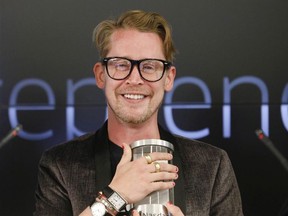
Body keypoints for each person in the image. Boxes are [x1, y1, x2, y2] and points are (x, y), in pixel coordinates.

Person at [34, 10, 243, 216]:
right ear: (100, 75)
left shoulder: (212, 165)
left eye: (149, 67)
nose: (135, 79)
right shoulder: (60, 165)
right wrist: (115, 196)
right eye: (121, 65)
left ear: (168, 78)